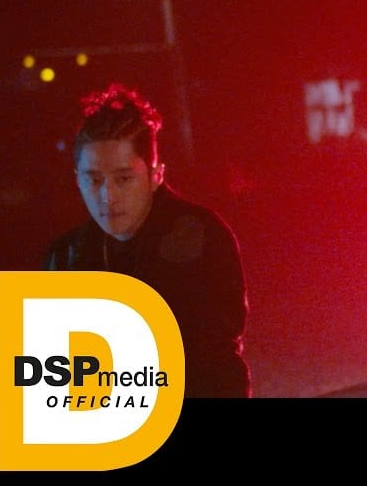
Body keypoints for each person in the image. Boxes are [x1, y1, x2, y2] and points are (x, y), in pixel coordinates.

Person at [44, 83, 252, 397]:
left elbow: (216, 358)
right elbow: (56, 375)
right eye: (93, 179)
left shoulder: (202, 236)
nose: (107, 196)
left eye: (123, 179)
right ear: (77, 179)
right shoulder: (65, 255)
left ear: (156, 175)